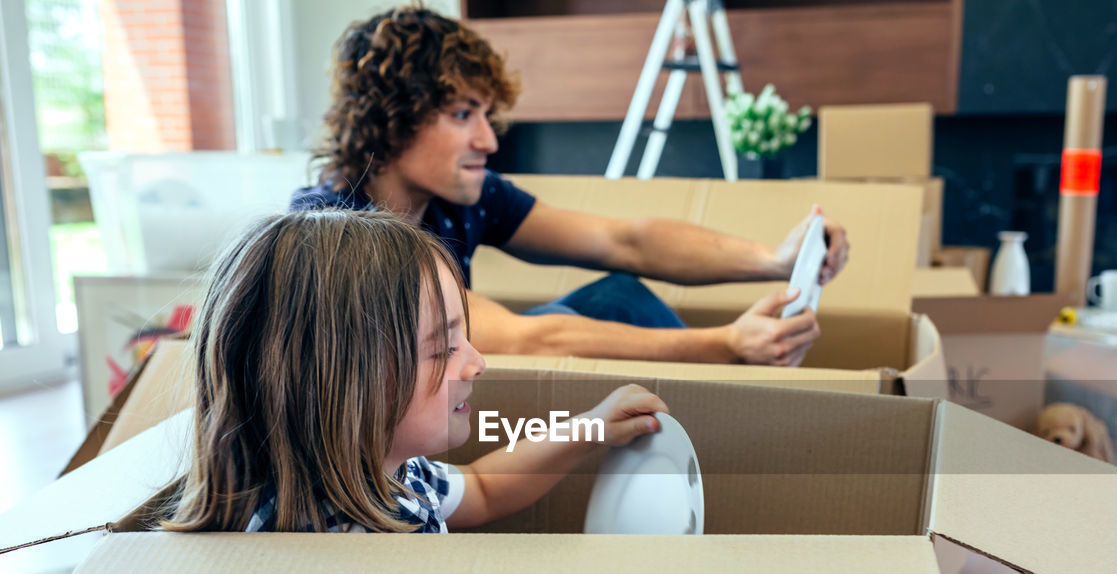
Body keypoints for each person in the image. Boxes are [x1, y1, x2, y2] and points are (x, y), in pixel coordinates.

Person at [291, 3, 852, 367]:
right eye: (464, 115)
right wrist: (724, 345)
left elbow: (622, 241)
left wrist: (773, 260)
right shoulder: (340, 231)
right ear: (394, 117)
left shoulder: (461, 196)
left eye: (486, 114)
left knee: (617, 294)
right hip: (406, 428)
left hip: (457, 385)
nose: (488, 139)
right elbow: (526, 340)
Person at [161, 209, 668, 534]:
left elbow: (483, 489)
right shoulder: (357, 548)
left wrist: (587, 429)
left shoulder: (384, 474)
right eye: (443, 349)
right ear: (345, 387)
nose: (477, 361)